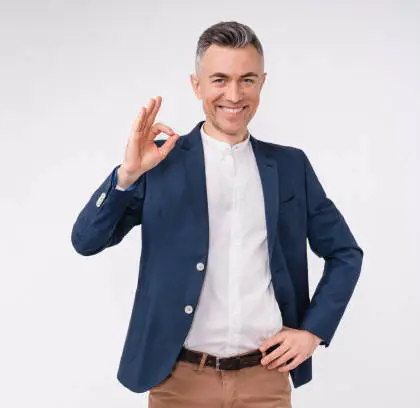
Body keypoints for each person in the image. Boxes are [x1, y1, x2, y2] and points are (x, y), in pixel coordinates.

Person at [71, 21, 363, 408]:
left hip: (265, 380)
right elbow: (86, 241)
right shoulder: (159, 161)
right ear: (197, 86)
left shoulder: (291, 167)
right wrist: (126, 176)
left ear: (262, 83)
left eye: (247, 80)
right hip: (178, 380)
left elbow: (345, 253)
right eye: (220, 79)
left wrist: (312, 331)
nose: (234, 94)